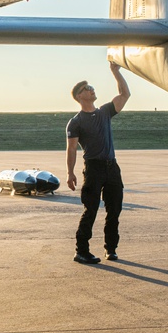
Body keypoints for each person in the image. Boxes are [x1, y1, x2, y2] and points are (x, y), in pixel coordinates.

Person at [66, 62, 130, 264]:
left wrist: (115, 72)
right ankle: (81, 251)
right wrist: (70, 173)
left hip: (112, 168)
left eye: (91, 87)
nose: (92, 89)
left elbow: (124, 94)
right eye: (87, 88)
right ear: (79, 96)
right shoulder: (76, 122)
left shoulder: (104, 112)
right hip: (93, 169)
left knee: (114, 210)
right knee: (91, 210)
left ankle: (110, 249)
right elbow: (72, 149)